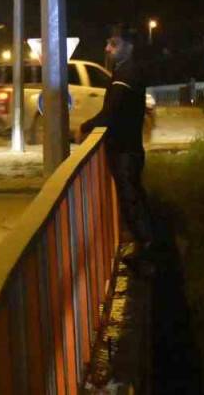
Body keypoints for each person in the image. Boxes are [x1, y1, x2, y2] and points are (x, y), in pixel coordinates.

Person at [80, 24, 154, 263]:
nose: (107, 48)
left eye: (114, 43)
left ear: (129, 47)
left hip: (125, 151)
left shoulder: (127, 73)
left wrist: (85, 126)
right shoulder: (124, 71)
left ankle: (147, 251)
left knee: (131, 200)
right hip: (128, 149)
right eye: (108, 43)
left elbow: (112, 112)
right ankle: (145, 247)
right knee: (133, 198)